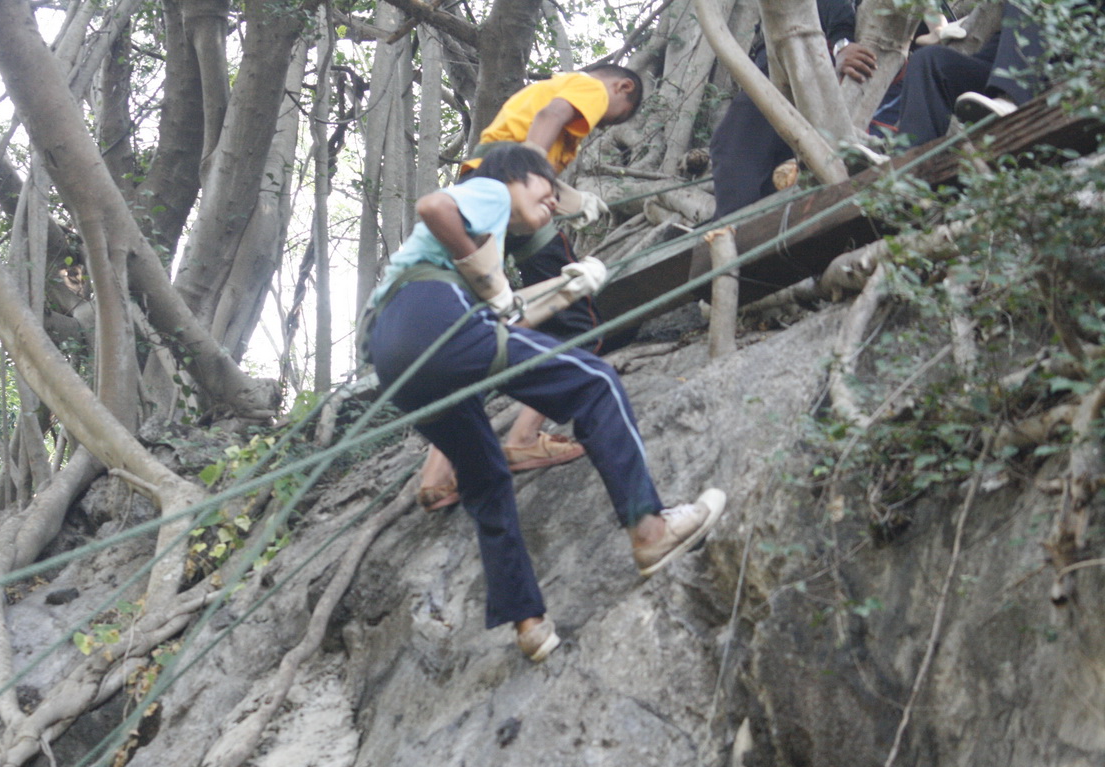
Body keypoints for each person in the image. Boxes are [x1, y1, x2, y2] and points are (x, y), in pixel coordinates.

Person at [364, 144, 727, 661]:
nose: (553, 202)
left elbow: (504, 322)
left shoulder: (471, 245)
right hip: (435, 318)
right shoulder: (490, 192)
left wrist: (565, 288)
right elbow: (433, 206)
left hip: (396, 355)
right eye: (547, 188)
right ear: (514, 177)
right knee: (595, 382)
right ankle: (650, 529)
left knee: (485, 476)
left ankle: (529, 624)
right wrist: (489, 278)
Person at [416, 64, 645, 513]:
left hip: (480, 193)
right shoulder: (588, 87)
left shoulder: (538, 90)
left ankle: (436, 475)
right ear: (623, 87)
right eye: (617, 114)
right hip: (506, 193)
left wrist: (564, 196)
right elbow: (550, 119)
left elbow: (520, 145)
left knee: (478, 333)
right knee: (578, 320)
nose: (603, 123)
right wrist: (529, 185)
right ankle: (522, 438)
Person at [708, 0, 878, 222]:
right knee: (761, 163)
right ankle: (729, 224)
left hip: (803, 67)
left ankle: (732, 227)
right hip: (781, 68)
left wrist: (842, 43)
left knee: (735, 143)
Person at [894, 2, 1043, 148]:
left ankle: (1010, 96)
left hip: (1033, 75)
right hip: (998, 69)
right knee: (929, 60)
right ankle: (908, 151)